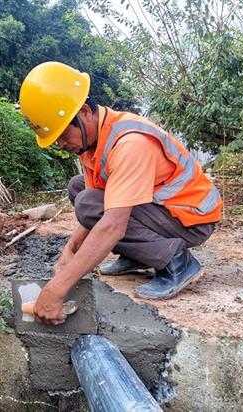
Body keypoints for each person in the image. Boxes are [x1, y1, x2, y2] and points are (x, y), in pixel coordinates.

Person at [19, 62, 222, 325]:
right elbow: (95, 203)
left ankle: (176, 261)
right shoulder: (93, 143)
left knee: (89, 203)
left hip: (190, 219)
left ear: (83, 113)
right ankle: (138, 254)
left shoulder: (130, 143)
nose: (61, 144)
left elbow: (111, 224)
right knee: (79, 188)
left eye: (61, 134)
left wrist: (55, 291)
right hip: (163, 210)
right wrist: (70, 251)